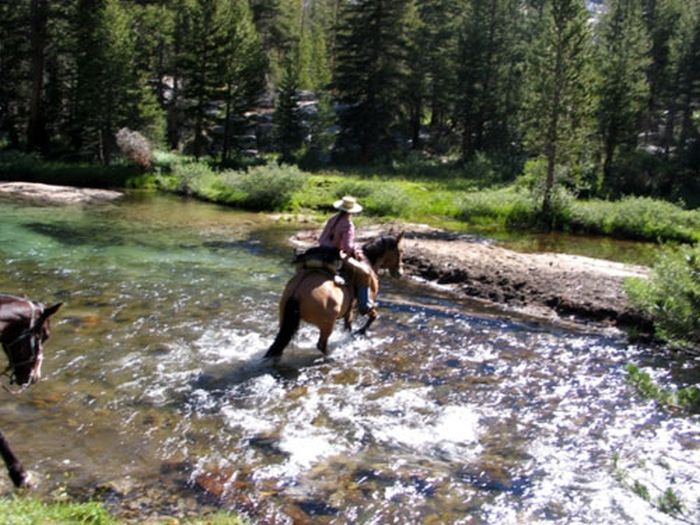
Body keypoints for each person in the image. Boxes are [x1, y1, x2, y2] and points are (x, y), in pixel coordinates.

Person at [318, 195, 374, 314]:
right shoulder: (348, 224)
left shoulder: (332, 219)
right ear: (352, 211)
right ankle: (364, 305)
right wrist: (356, 250)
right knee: (365, 273)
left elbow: (322, 238)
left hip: (321, 251)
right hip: (335, 255)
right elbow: (347, 247)